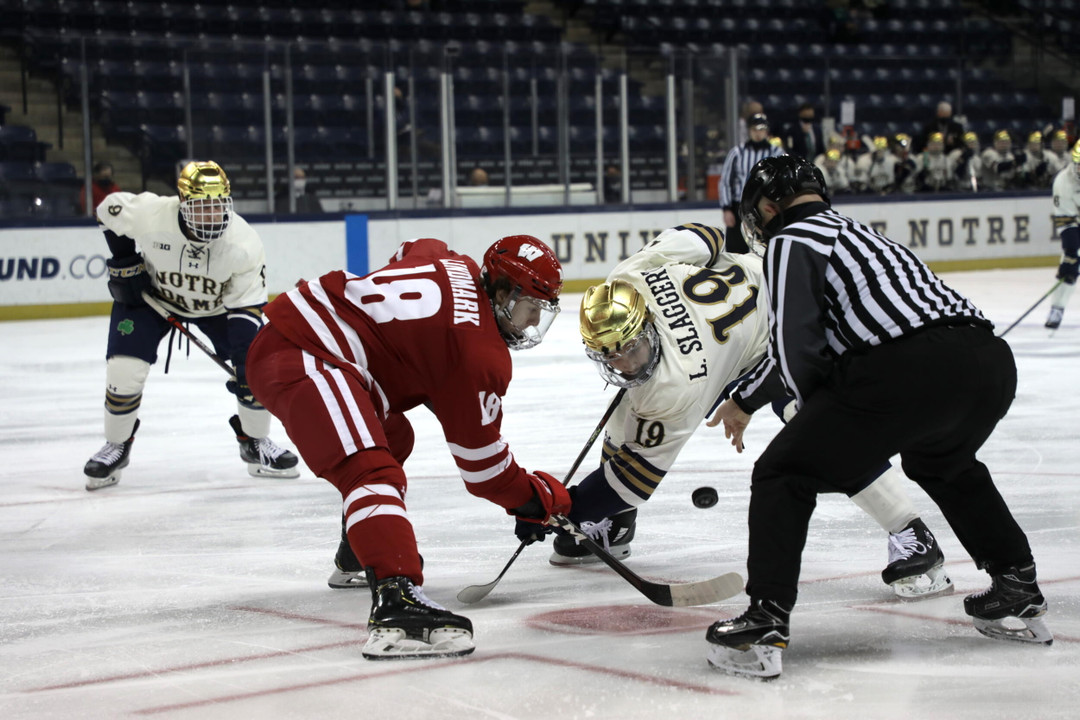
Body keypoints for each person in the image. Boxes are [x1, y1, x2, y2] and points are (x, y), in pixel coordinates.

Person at [706, 155, 1053, 680]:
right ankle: (1016, 580)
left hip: (906, 369)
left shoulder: (790, 241)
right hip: (987, 361)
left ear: (769, 206)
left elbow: (794, 345)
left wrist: (804, 420)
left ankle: (767, 616)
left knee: (783, 470)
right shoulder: (864, 234)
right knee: (942, 462)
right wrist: (751, 401)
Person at [541, 223, 951, 600]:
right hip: (751, 300)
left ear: (647, 323)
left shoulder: (675, 384)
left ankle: (915, 536)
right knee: (631, 399)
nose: (623, 363)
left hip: (789, 324)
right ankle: (615, 526)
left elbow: (632, 480)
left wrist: (563, 509)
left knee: (821, 432)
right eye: (608, 354)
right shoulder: (631, 276)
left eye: (631, 347)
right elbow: (709, 236)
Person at [244, 234, 571, 660]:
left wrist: (422, 356)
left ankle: (358, 551)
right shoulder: (478, 353)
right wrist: (536, 500)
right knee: (371, 471)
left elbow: (412, 248)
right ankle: (397, 604)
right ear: (505, 292)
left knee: (395, 436)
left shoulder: (453, 262)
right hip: (307, 355)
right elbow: (485, 472)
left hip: (308, 332)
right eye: (531, 308)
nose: (531, 324)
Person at [83, 160, 300, 491]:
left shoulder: (244, 243)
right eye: (202, 206)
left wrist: (245, 365)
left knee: (257, 365)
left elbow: (245, 310)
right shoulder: (152, 213)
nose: (212, 215)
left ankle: (255, 441)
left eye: (218, 205)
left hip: (215, 310)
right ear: (182, 202)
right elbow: (107, 209)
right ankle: (117, 445)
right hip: (151, 301)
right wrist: (124, 259)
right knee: (124, 371)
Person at [719, 113, 785, 253]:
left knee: (767, 250)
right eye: (755, 129)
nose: (758, 133)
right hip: (740, 207)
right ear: (749, 130)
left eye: (761, 129)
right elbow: (725, 181)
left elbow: (783, 181)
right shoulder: (737, 153)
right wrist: (726, 209)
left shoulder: (776, 153)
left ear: (767, 131)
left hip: (767, 207)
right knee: (735, 253)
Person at [1044, 141, 1080, 329]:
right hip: (1076, 222)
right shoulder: (1063, 181)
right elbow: (1067, 221)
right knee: (1069, 269)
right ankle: (1057, 308)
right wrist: (1071, 252)